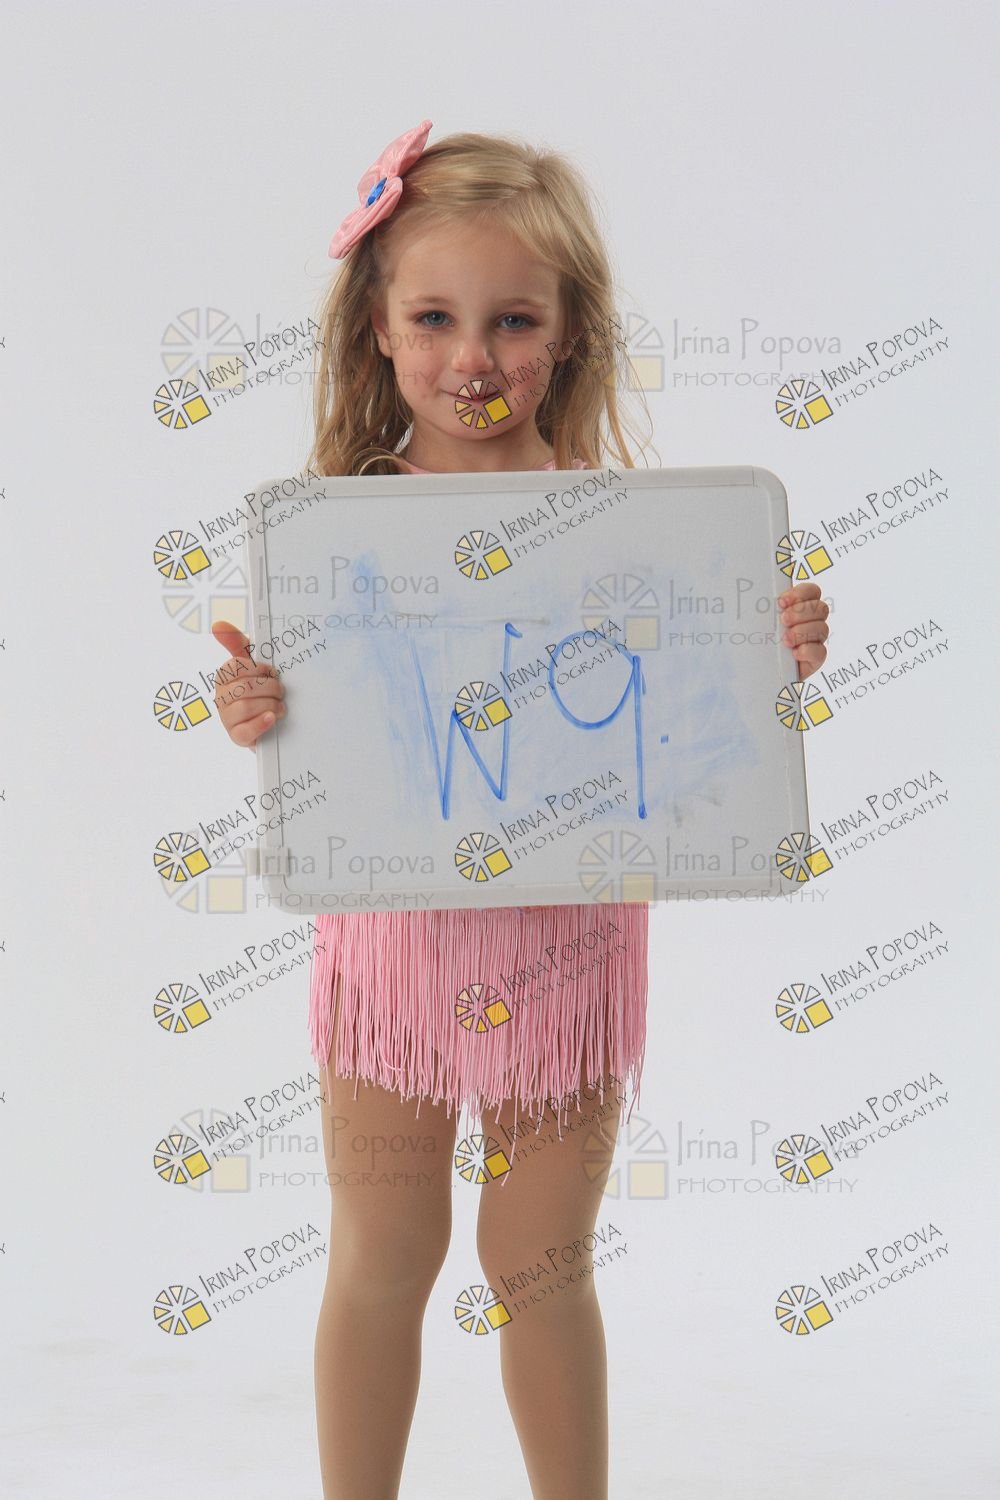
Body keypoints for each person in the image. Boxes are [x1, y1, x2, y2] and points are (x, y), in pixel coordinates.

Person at [211, 119, 831, 1500]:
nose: (473, 358)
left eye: (513, 320)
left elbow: (699, 725)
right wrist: (257, 708)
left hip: (571, 944)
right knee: (385, 1254)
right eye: (435, 318)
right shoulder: (337, 537)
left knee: (538, 1262)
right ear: (378, 330)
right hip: (393, 945)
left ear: (570, 331)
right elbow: (321, 733)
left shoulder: (640, 537)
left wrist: (764, 648)